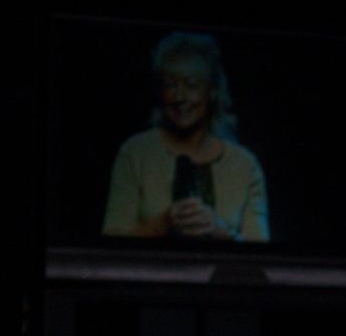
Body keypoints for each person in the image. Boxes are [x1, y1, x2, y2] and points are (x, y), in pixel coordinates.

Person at [102, 31, 269, 241]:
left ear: (212, 90)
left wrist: (219, 232)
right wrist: (162, 224)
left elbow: (260, 249)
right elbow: (111, 239)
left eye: (191, 85)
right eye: (171, 85)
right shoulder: (135, 153)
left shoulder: (245, 165)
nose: (179, 97)